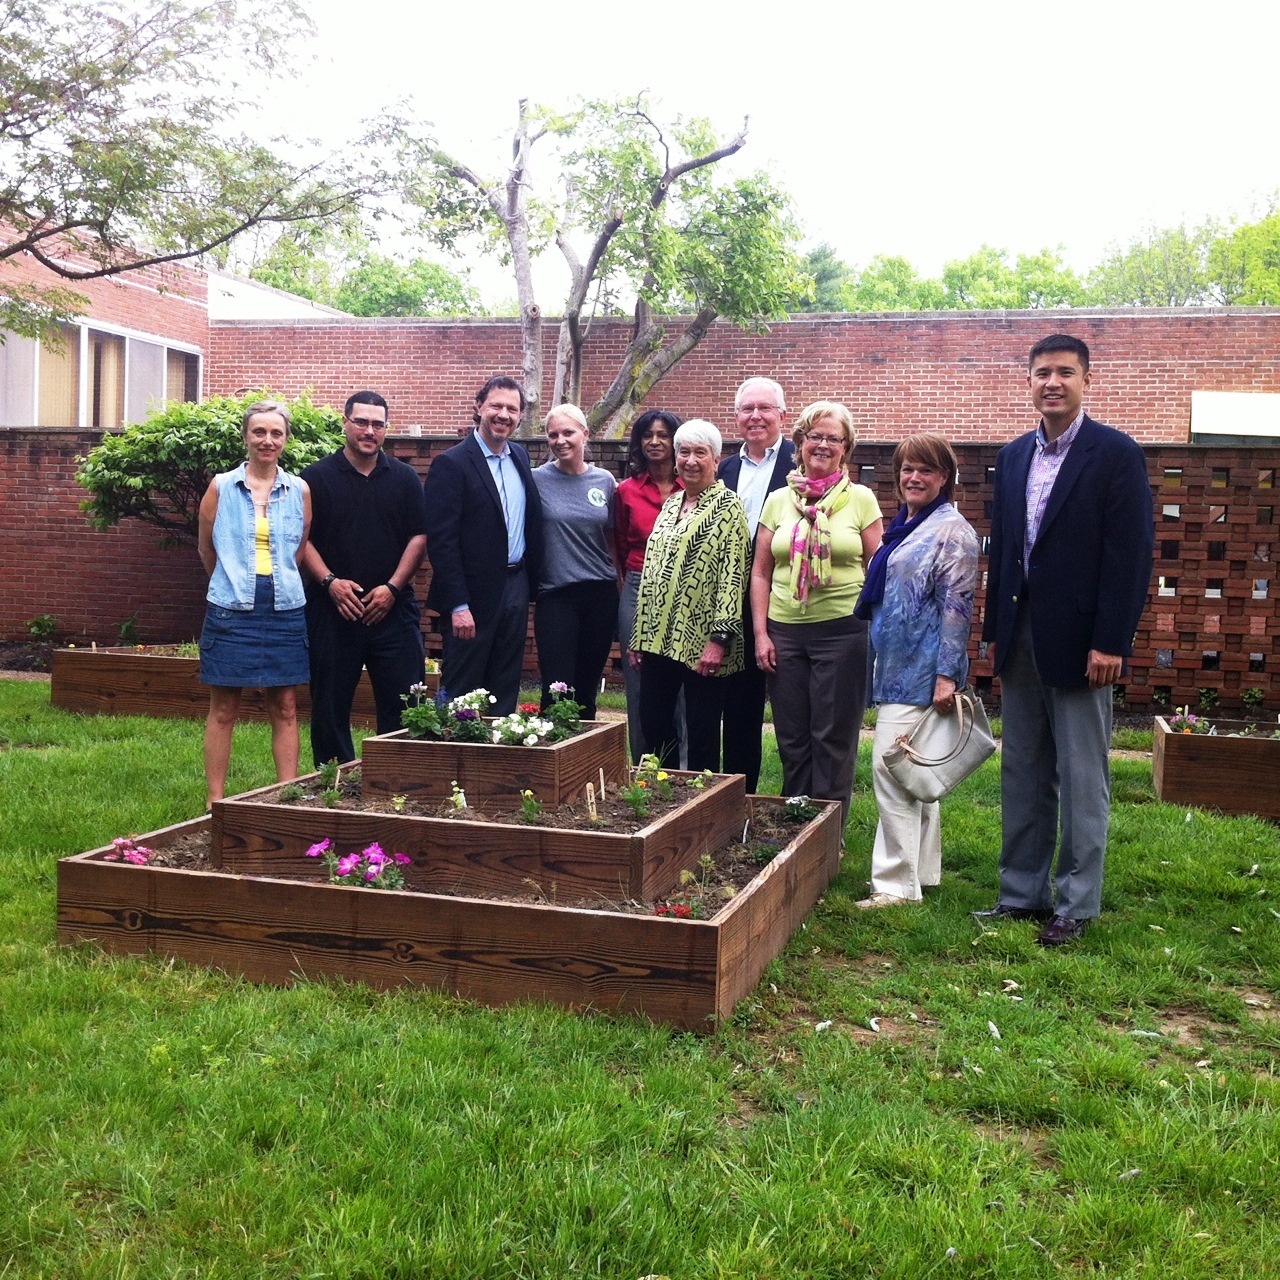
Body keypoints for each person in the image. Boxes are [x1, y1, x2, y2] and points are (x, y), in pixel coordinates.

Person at [977, 335, 1154, 945]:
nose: (1052, 383)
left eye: (1065, 373)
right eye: (1042, 373)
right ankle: (1022, 893)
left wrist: (1111, 642)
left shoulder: (1115, 454)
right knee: (1023, 769)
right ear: (1028, 382)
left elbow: (1129, 556)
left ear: (1086, 380)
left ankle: (1076, 905)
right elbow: (1003, 555)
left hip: (1084, 645)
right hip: (1021, 638)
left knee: (1082, 776)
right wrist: (996, 633)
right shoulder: (1014, 458)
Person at [853, 433, 979, 908]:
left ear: (944, 477)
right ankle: (922, 874)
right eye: (907, 469)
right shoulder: (907, 526)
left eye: (925, 469)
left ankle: (894, 887)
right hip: (896, 667)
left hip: (921, 672)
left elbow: (957, 609)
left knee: (893, 771)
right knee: (916, 774)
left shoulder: (952, 531)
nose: (914, 477)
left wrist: (947, 676)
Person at [751, 401, 883, 826]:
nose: (822, 444)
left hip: (843, 631)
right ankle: (796, 823)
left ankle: (828, 834)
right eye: (814, 436)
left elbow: (875, 568)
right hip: (784, 631)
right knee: (792, 736)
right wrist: (761, 635)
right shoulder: (777, 501)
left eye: (833, 438)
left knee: (832, 737)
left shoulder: (860, 499)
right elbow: (760, 573)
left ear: (846, 448)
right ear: (800, 443)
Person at [300, 391, 428, 767]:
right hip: (333, 611)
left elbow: (419, 537)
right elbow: (302, 539)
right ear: (345, 423)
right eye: (361, 422)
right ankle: (334, 782)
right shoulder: (315, 477)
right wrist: (329, 583)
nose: (369, 431)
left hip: (393, 610)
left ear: (386, 430)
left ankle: (399, 777)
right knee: (329, 704)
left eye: (377, 424)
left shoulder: (405, 479)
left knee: (406, 702)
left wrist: (392, 588)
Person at [197, 400, 312, 807]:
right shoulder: (221, 487)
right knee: (225, 707)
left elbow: (298, 550)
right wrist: (231, 584)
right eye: (259, 432)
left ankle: (286, 797)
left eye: (276, 433)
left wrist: (273, 582)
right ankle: (215, 802)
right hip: (231, 608)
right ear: (246, 437)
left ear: (285, 439)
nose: (268, 440)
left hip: (284, 607)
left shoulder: (299, 490)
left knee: (285, 705)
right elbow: (206, 548)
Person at [630, 420, 750, 772]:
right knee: (653, 722)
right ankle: (659, 793)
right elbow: (651, 573)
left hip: (703, 641)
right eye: (684, 452)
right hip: (657, 638)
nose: (691, 460)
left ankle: (700, 808)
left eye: (701, 453)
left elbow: (733, 576)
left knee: (701, 730)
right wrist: (639, 635)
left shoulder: (729, 507)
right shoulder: (670, 506)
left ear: (716, 460)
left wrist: (719, 639)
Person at [423, 376, 544, 715]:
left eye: (512, 408)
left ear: (520, 416)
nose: (503, 414)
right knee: (462, 690)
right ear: (479, 408)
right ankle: (449, 762)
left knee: (504, 685)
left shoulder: (520, 457)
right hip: (471, 597)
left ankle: (496, 762)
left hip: (516, 587)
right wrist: (458, 605)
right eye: (496, 406)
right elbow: (442, 542)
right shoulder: (452, 464)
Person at [717, 376, 795, 791]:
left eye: (764, 408)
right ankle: (738, 793)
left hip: (782, 599)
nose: (756, 416)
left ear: (782, 415)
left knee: (789, 707)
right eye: (747, 409)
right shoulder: (724, 468)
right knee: (739, 703)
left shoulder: (801, 466)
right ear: (736, 417)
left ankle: (797, 797)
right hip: (732, 602)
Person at [532, 403, 617, 721]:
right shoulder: (536, 480)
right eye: (553, 435)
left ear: (585, 434)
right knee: (556, 689)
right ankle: (549, 762)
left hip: (600, 595)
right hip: (556, 595)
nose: (560, 440)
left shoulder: (605, 481)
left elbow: (610, 539)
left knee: (586, 689)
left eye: (568, 432)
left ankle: (583, 765)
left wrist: (619, 584)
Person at [613, 408, 684, 761]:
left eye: (663, 435)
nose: (655, 442)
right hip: (638, 585)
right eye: (647, 435)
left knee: (684, 680)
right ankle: (644, 765)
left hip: (686, 589)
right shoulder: (626, 491)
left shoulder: (696, 487)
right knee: (639, 679)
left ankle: (686, 768)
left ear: (676, 441)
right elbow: (620, 545)